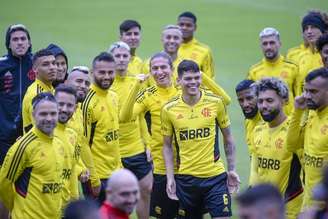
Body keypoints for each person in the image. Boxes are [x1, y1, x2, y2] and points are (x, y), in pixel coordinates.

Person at [162, 60, 240, 218]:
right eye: (188, 79)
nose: (194, 82)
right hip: (186, 179)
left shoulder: (215, 103)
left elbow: (228, 138)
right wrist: (170, 177)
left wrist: (231, 169)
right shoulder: (169, 109)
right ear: (178, 81)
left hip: (215, 177)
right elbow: (167, 146)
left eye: (197, 78)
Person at [0, 92, 65, 219]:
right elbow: (4, 183)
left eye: (53, 113)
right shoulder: (24, 146)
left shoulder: (59, 144)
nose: (49, 118)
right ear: (33, 115)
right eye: (43, 114)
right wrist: (17, 209)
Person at [109, 41, 153, 219]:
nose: (121, 59)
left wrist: (147, 143)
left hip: (136, 147)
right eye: (117, 56)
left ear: (130, 58)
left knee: (147, 188)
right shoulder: (107, 83)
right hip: (115, 149)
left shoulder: (137, 81)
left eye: (124, 56)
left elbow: (141, 115)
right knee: (117, 196)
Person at [251, 77, 303, 219]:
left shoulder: (294, 131)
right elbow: (256, 170)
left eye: (269, 100)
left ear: (284, 100)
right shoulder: (258, 130)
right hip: (263, 209)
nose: (264, 105)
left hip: (289, 210)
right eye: (260, 101)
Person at [81, 52, 121, 204]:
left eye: (110, 72)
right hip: (97, 176)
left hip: (115, 174)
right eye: (101, 72)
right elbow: (83, 143)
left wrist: (120, 166)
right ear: (92, 73)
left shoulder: (113, 96)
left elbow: (114, 136)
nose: (106, 76)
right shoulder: (87, 101)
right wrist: (93, 178)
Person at [286, 67, 328, 210]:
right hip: (309, 205)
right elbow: (291, 145)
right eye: (306, 90)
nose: (307, 96)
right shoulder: (312, 115)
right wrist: (297, 111)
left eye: (313, 91)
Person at [0, 24, 34, 166]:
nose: (19, 42)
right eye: (15, 39)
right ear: (8, 44)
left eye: (23, 38)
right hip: (4, 133)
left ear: (29, 42)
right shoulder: (1, 66)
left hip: (31, 133)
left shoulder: (37, 63)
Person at [65, 66, 100, 197]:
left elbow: (81, 145)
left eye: (86, 83)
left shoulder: (79, 109)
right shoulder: (60, 112)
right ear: (67, 82)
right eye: (78, 81)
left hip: (72, 181)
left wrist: (93, 175)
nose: (83, 86)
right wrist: (80, 169)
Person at [247, 27, 298, 115]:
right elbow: (251, 101)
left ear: (280, 44)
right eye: (265, 44)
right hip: (265, 124)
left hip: (289, 122)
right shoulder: (254, 71)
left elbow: (299, 96)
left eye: (272, 43)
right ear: (261, 46)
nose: (268, 47)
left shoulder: (292, 68)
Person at [54, 84, 80, 208]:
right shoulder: (42, 133)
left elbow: (72, 169)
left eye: (69, 105)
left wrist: (75, 199)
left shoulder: (73, 135)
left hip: (65, 207)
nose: (64, 109)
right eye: (61, 104)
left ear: (75, 108)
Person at [22, 49, 56, 133]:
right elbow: (42, 131)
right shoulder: (36, 95)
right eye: (45, 64)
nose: (52, 67)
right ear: (35, 69)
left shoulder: (50, 88)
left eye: (53, 63)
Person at [235, 79, 262, 186]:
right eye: (241, 100)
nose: (245, 104)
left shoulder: (269, 122)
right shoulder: (248, 122)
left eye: (249, 98)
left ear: (259, 96)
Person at [296, 10, 328, 95]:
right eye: (306, 28)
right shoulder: (301, 56)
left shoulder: (325, 55)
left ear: (323, 30)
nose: (309, 31)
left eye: (313, 27)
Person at [177, 11, 215, 78]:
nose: (184, 28)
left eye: (188, 25)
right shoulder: (170, 49)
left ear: (195, 27)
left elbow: (210, 79)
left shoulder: (204, 51)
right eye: (181, 24)